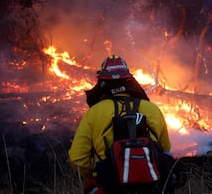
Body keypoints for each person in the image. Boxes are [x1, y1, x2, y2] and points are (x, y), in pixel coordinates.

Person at [69, 54, 173, 194]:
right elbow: (165, 149)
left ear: (102, 82)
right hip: (152, 187)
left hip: (110, 187)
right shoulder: (152, 110)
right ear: (129, 80)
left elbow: (77, 158)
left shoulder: (94, 113)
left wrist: (96, 176)